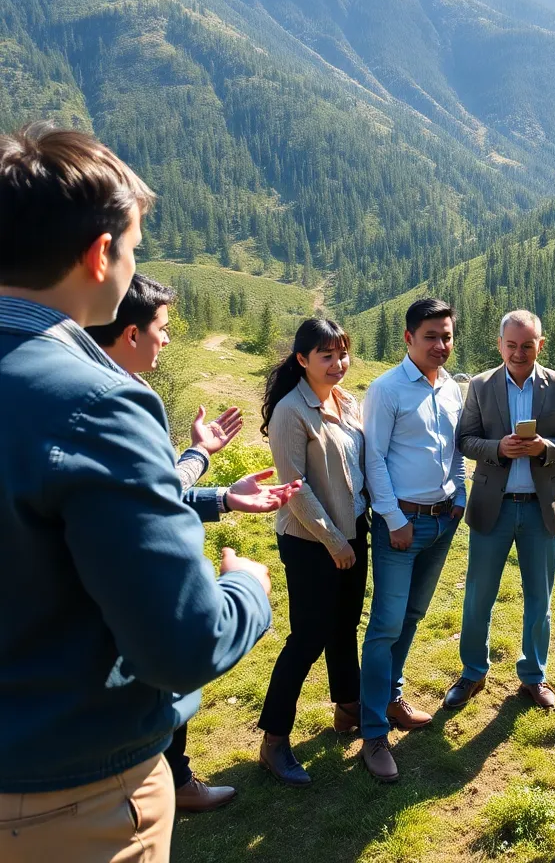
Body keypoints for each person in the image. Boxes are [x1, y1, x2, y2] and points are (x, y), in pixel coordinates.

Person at [0, 124, 273, 862]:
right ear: (99, 255)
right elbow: (182, 642)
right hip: (68, 798)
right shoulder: (95, 402)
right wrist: (248, 590)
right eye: (134, 248)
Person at [87, 273, 300, 813]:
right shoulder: (112, 404)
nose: (166, 340)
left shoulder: (110, 389)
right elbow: (148, 507)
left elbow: (155, 492)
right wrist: (246, 585)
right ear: (131, 333)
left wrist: (216, 485)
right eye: (162, 329)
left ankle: (176, 778)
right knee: (165, 667)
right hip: (137, 600)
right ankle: (165, 784)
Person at [443, 310, 555, 713]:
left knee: (539, 599)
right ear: (500, 344)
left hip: (541, 511)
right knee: (478, 596)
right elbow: (466, 440)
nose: (519, 353)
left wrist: (543, 447)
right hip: (495, 507)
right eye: (512, 345)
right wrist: (497, 449)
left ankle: (534, 676)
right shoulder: (482, 385)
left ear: (541, 344)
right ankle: (473, 672)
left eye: (527, 345)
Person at [256, 319, 370, 787]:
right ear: (302, 360)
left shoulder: (345, 402)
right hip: (310, 541)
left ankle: (349, 707)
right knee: (307, 637)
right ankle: (274, 740)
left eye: (342, 354)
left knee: (344, 626)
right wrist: (333, 541)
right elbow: (293, 491)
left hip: (353, 531)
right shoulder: (290, 412)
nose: (338, 364)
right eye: (327, 356)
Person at [359, 298, 466, 782]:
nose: (441, 346)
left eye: (447, 336)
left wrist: (459, 496)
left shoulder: (451, 389)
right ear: (408, 339)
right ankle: (374, 731)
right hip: (401, 526)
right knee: (385, 624)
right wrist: (393, 516)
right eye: (431, 337)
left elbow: (456, 451)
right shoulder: (386, 390)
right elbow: (374, 459)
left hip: (442, 522)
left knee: (414, 615)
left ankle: (391, 695)